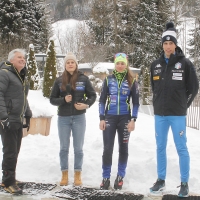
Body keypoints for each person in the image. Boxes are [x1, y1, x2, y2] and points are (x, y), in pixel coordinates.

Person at [149, 22, 199, 197]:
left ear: (175, 44)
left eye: (171, 43)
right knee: (160, 147)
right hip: (160, 115)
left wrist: (183, 104)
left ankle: (184, 182)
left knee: (181, 148)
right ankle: (161, 180)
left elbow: (194, 88)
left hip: (177, 115)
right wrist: (158, 102)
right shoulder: (155, 64)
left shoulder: (185, 64)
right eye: (165, 43)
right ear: (162, 44)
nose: (168, 46)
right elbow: (154, 88)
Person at [50, 52, 96, 186]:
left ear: (76, 64)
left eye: (72, 62)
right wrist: (63, 99)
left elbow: (93, 95)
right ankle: (64, 174)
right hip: (63, 118)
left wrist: (86, 104)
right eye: (68, 62)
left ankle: (77, 174)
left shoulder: (84, 79)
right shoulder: (59, 80)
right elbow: (52, 99)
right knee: (64, 148)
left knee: (78, 149)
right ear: (65, 65)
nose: (70, 64)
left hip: (79, 118)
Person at [99, 53, 139, 190]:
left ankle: (120, 176)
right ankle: (105, 177)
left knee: (123, 148)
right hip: (109, 117)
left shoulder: (132, 81)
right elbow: (102, 100)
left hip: (125, 118)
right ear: (115, 65)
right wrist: (102, 118)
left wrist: (133, 120)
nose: (120, 66)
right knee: (107, 148)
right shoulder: (108, 80)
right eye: (118, 63)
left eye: (122, 63)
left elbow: (136, 103)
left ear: (126, 65)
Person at [0, 49, 32, 194]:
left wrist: (28, 113)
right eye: (19, 57)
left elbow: (23, 98)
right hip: (8, 120)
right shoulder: (5, 74)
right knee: (10, 151)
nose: (23, 59)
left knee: (15, 150)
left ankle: (9, 178)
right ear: (11, 60)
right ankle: (8, 182)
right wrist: (3, 117)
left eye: (23, 58)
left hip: (17, 120)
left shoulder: (21, 76)